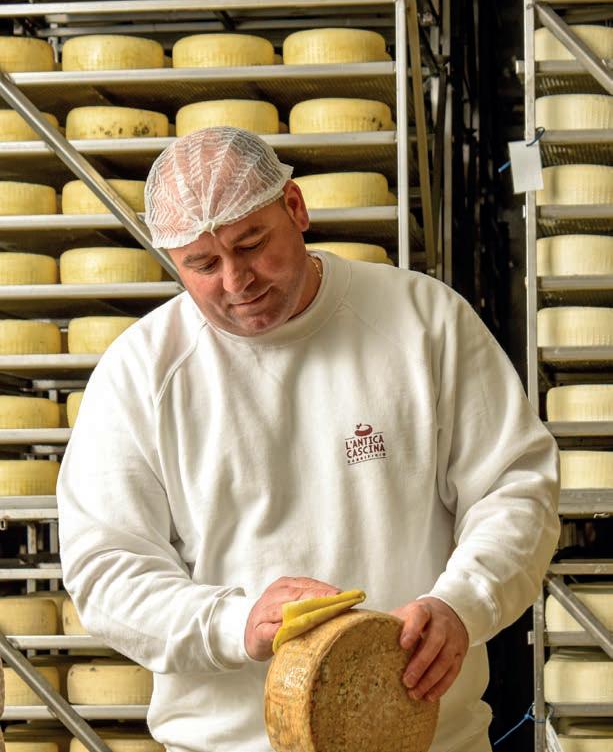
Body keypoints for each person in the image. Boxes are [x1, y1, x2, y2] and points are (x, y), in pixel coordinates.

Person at [57, 126, 560, 752]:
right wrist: (233, 622)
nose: (236, 281)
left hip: (430, 739)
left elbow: (516, 489)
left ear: (295, 208)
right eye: (203, 265)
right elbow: (106, 567)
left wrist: (462, 603)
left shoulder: (424, 322)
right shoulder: (141, 373)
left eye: (252, 244)